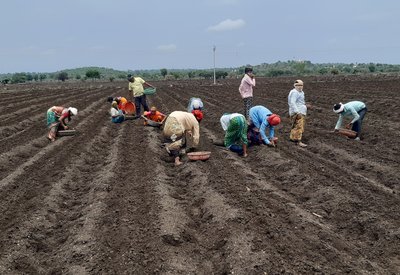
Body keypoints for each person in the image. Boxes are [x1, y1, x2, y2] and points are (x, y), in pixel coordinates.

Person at [288, 79, 308, 147]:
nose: (300, 87)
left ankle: (293, 138)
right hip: (297, 112)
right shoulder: (294, 92)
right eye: (298, 85)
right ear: (295, 86)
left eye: (301, 85)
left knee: (296, 126)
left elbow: (301, 101)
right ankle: (298, 141)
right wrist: (297, 112)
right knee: (299, 126)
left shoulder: (301, 92)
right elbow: (292, 103)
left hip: (301, 111)